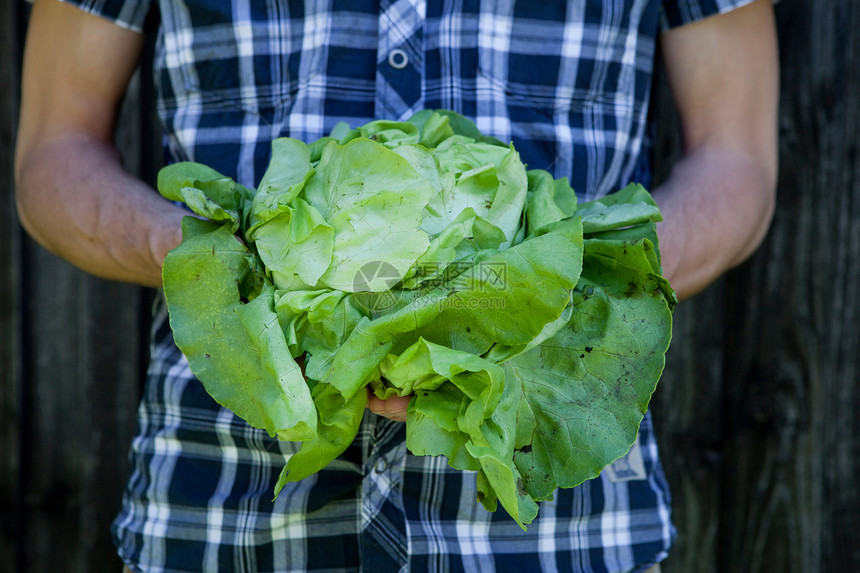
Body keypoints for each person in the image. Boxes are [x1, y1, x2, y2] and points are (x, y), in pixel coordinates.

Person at [15, 0, 778, 571]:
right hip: (227, 511)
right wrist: (220, 266)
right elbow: (55, 152)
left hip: (559, 529)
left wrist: (532, 300)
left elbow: (736, 163)